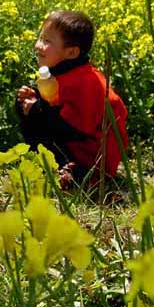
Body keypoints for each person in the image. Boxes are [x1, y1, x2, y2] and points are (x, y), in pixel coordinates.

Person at [16, 10, 128, 187]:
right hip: (75, 144)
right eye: (40, 38)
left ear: (71, 53)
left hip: (92, 158)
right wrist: (29, 100)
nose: (38, 45)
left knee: (38, 117)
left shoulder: (87, 82)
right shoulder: (63, 72)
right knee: (31, 114)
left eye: (47, 41)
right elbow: (53, 107)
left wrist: (37, 108)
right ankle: (50, 166)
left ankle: (77, 176)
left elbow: (71, 128)